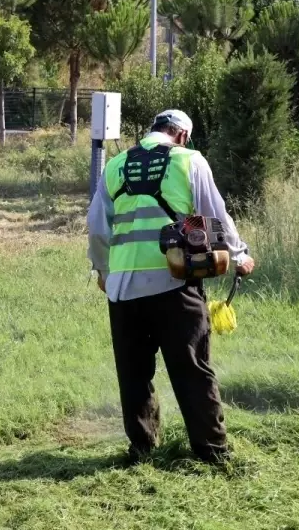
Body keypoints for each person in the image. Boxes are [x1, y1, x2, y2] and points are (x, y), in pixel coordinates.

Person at [87, 109, 256, 465]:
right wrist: (239, 256)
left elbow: (98, 228)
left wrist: (104, 272)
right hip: (173, 282)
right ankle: (213, 452)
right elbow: (215, 215)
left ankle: (143, 450)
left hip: (123, 289)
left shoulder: (115, 165)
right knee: (192, 369)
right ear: (181, 135)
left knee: (133, 374)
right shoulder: (189, 160)